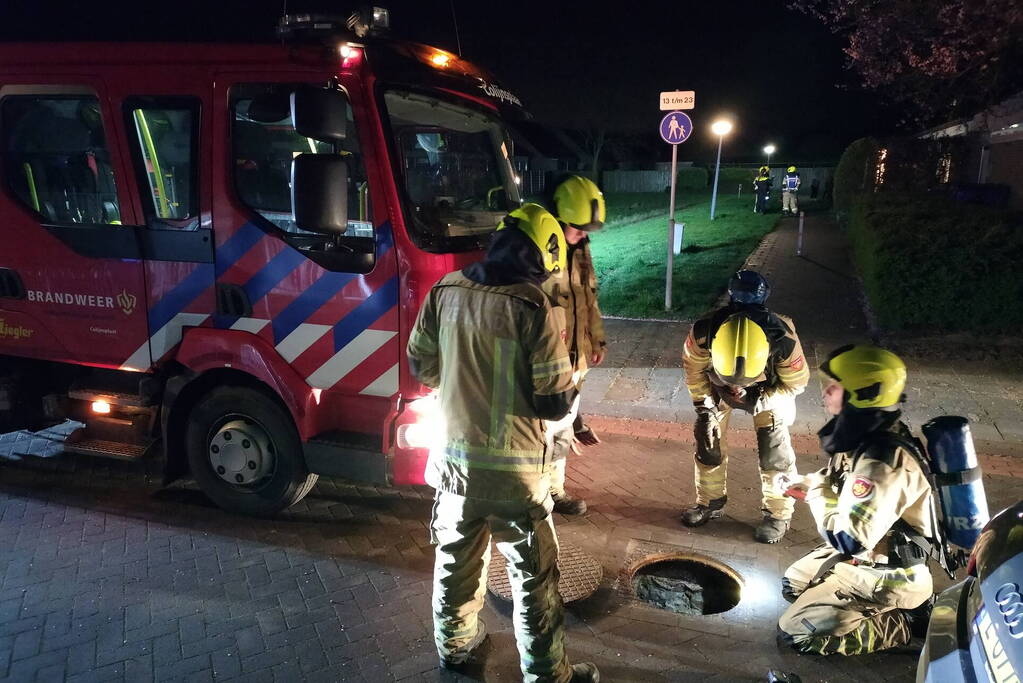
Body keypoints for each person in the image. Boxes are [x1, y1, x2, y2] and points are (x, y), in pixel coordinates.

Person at [407, 203, 600, 682]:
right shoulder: (532, 306)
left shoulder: (445, 290)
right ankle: (547, 674)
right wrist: (572, 382)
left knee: (455, 565)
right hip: (515, 476)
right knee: (533, 581)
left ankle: (454, 648)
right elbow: (554, 404)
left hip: (453, 468)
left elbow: (422, 367)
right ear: (538, 255)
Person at [778, 345, 935, 656]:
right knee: (793, 584)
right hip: (874, 550)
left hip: (890, 571)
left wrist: (815, 492)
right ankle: (855, 603)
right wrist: (808, 482)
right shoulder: (867, 434)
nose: (824, 394)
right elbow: (840, 481)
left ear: (863, 394)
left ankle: (903, 624)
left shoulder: (882, 461)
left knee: (796, 634)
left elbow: (849, 539)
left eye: (833, 388)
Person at [680, 270, 809, 543]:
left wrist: (759, 399)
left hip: (769, 391)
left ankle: (778, 514)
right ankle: (710, 502)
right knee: (708, 443)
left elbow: (795, 385)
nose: (738, 388)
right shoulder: (704, 331)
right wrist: (704, 407)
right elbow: (694, 370)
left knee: (775, 454)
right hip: (717, 387)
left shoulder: (784, 339)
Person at [542, 175, 608, 515]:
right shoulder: (538, 253)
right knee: (541, 430)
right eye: (577, 228)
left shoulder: (580, 250)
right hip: (548, 358)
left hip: (576, 356)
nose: (582, 235)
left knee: (563, 428)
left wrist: (595, 339)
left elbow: (589, 298)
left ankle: (555, 491)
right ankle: (536, 497)